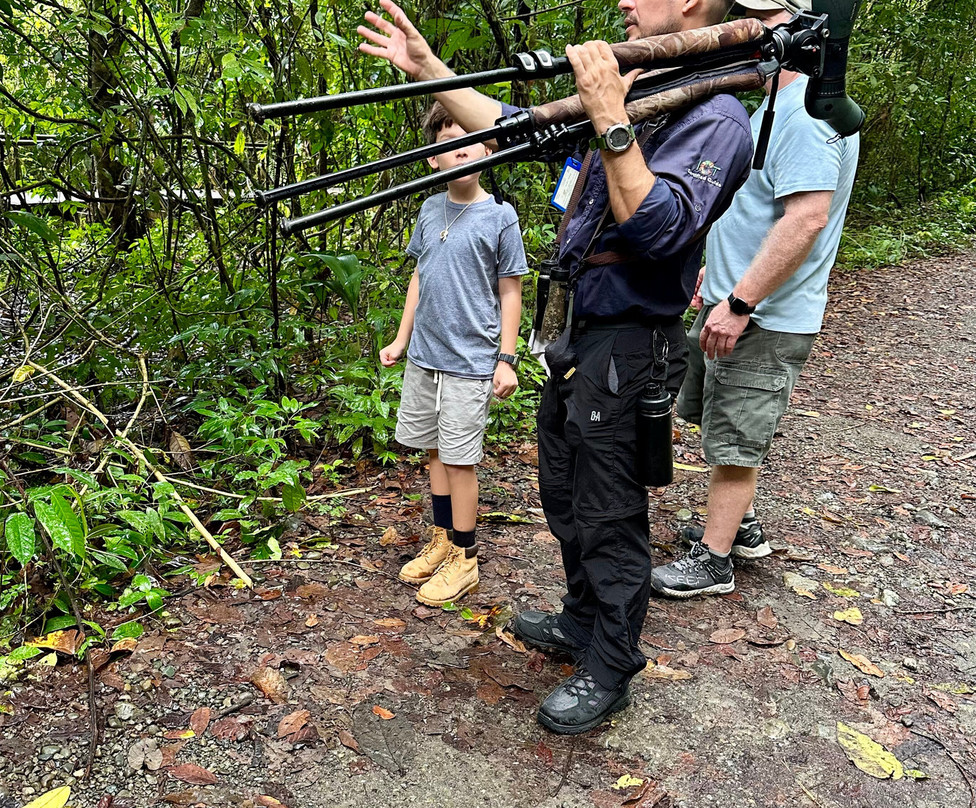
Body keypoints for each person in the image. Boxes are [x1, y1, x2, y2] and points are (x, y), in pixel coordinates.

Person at [361, 0, 753, 733]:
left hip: (631, 339)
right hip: (574, 332)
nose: (625, 5)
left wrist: (611, 116)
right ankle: (580, 620)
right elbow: (511, 124)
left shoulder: (718, 115)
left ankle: (611, 661)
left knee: (609, 507)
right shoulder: (640, 87)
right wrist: (430, 72)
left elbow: (662, 228)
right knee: (564, 489)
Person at [650, 0, 860, 599]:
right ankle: (738, 526)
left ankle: (713, 560)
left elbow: (806, 219)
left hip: (762, 314)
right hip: (733, 298)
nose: (745, 33)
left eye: (759, 23)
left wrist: (740, 303)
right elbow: (752, 210)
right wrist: (711, 277)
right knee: (720, 422)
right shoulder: (777, 102)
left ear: (798, 31)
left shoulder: (808, 115)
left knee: (737, 435)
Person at [380, 101, 529, 607]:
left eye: (469, 139)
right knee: (433, 451)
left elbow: (511, 291)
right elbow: (419, 278)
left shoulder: (500, 217)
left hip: (471, 361)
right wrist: (401, 340)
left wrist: (506, 358)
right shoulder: (428, 210)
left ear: (489, 148)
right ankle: (444, 537)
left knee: (461, 459)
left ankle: (465, 558)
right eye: (448, 143)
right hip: (426, 356)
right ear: (433, 158)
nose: (459, 148)